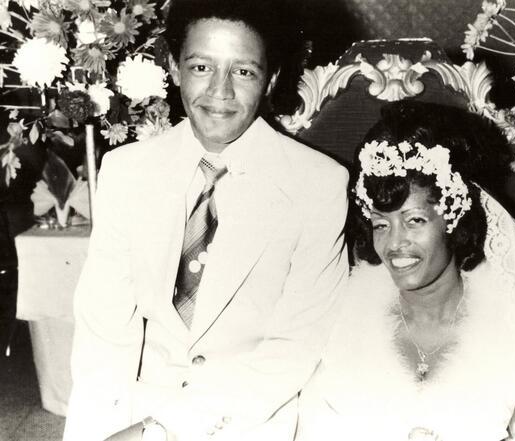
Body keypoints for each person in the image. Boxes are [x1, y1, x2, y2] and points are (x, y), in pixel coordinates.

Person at [63, 0, 349, 440]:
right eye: (201, 67)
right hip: (135, 409)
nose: (220, 92)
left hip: (247, 418)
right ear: (174, 69)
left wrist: (159, 431)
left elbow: (296, 346)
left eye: (243, 71)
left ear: (271, 79)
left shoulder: (318, 185)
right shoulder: (126, 170)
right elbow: (103, 332)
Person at [296, 101, 515, 441]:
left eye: (415, 220)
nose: (395, 243)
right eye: (380, 224)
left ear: (454, 220)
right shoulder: (343, 321)